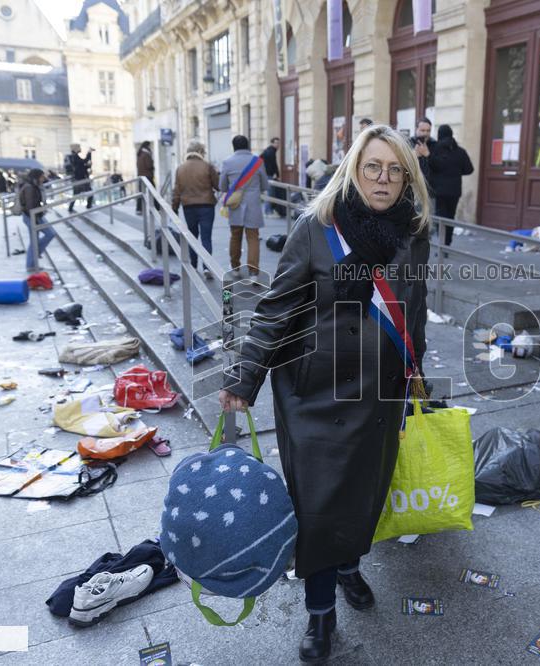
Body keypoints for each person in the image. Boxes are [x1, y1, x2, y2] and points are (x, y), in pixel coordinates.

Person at [218, 123, 431, 663]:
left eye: (394, 170)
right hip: (315, 394)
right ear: (353, 169)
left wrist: (413, 381)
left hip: (380, 393)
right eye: (372, 167)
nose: (382, 179)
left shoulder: (414, 232)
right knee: (317, 506)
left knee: (363, 495)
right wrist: (245, 378)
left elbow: (414, 311)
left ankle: (349, 567)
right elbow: (275, 308)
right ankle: (320, 613)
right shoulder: (316, 227)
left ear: (406, 177)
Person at [219, 135, 268, 278]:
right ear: (248, 145)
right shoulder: (257, 162)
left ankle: (235, 267)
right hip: (253, 204)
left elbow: (222, 186)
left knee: (235, 236)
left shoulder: (227, 162)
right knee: (253, 237)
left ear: (233, 146)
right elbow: (265, 185)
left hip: (236, 205)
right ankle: (253, 272)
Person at [171, 141, 219, 280]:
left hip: (188, 207)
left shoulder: (180, 168)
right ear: (201, 151)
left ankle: (193, 265)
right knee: (206, 238)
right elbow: (217, 185)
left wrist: (174, 207)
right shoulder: (207, 166)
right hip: (206, 206)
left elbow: (177, 190)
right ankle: (207, 268)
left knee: (192, 237)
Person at [428, 124, 474, 246]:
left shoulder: (435, 150)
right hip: (454, 191)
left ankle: (442, 244)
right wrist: (457, 171)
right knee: (450, 217)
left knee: (441, 218)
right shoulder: (460, 152)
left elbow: (432, 165)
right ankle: (447, 243)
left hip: (439, 190)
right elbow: (469, 169)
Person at [20, 168, 56, 272]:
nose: (43, 178)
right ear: (36, 177)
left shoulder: (34, 185)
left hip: (36, 216)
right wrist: (34, 220)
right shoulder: (29, 187)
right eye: (41, 176)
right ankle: (31, 264)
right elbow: (30, 206)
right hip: (31, 216)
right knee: (35, 241)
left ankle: (36, 254)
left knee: (50, 234)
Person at [411, 117, 436, 196]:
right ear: (416, 129)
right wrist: (414, 156)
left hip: (430, 190)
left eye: (428, 131)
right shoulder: (407, 142)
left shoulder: (434, 144)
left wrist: (428, 155)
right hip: (412, 188)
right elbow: (402, 167)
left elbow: (440, 167)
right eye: (423, 130)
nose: (425, 133)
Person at [67, 144, 94, 213]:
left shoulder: (74, 156)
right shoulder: (74, 156)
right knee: (89, 193)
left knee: (77, 194)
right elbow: (83, 162)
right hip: (80, 179)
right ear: (75, 148)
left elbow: (81, 165)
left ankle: (71, 208)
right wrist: (89, 152)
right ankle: (88, 206)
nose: (80, 149)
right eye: (79, 147)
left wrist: (87, 166)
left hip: (79, 178)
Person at [261, 137, 284, 216]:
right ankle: (268, 211)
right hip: (268, 175)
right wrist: (277, 175)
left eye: (278, 143)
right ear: (272, 143)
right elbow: (274, 165)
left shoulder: (268, 151)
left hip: (267, 174)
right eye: (276, 143)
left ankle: (268, 210)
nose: (278, 145)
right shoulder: (271, 152)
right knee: (270, 193)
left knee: (270, 193)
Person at [136, 141, 156, 214]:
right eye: (149, 146)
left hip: (141, 176)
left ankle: (139, 209)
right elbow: (149, 165)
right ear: (147, 146)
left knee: (141, 193)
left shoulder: (140, 154)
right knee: (153, 192)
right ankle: (156, 208)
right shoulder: (146, 154)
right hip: (148, 176)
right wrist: (152, 163)